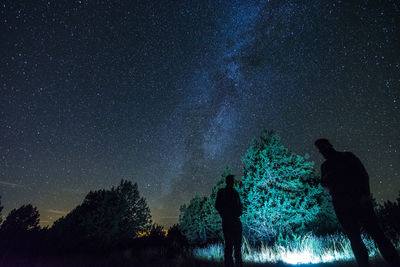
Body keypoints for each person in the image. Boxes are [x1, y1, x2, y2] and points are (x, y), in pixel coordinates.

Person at [315, 138, 400, 267]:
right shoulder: (325, 166)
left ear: (329, 145)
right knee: (354, 238)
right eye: (320, 148)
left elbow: (363, 174)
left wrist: (365, 194)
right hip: (341, 204)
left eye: (324, 146)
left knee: (376, 233)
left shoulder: (347, 156)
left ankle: (395, 262)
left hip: (359, 199)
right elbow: (326, 185)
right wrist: (325, 183)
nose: (323, 150)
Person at [215, 174, 243, 267]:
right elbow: (218, 206)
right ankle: (235, 264)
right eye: (232, 181)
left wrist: (224, 215)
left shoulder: (227, 192)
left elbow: (218, 206)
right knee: (233, 246)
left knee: (231, 246)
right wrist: (226, 214)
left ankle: (232, 264)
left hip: (230, 221)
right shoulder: (228, 193)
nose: (233, 183)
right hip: (231, 221)